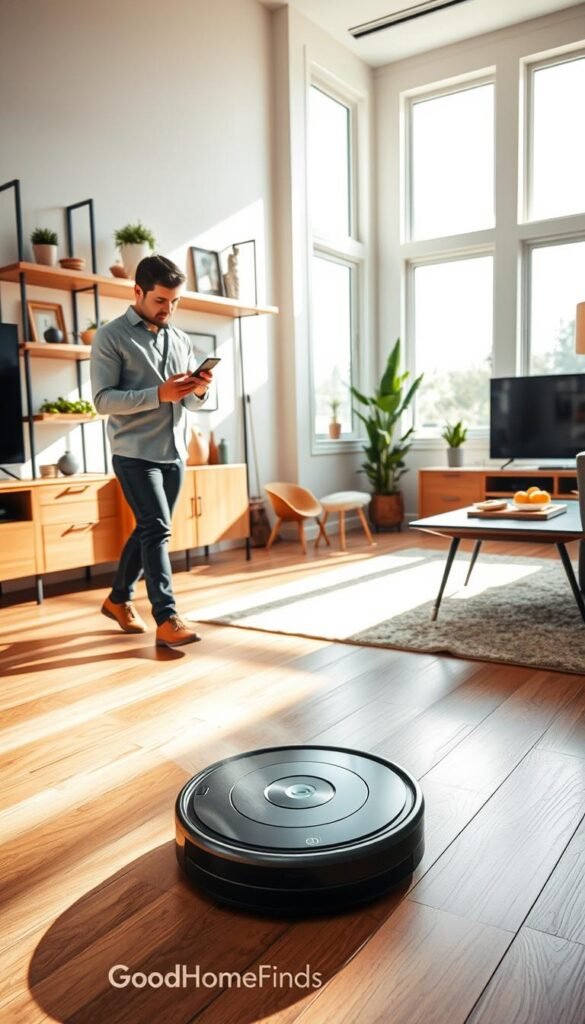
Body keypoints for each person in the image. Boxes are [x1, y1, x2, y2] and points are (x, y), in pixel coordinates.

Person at [90, 254, 214, 648]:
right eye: (161, 300)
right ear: (138, 291)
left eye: (175, 302)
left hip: (174, 453)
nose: (169, 309)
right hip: (134, 452)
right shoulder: (110, 337)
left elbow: (193, 404)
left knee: (149, 529)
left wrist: (200, 388)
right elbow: (103, 400)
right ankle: (167, 617)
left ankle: (117, 599)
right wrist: (157, 394)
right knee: (157, 529)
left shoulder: (180, 338)